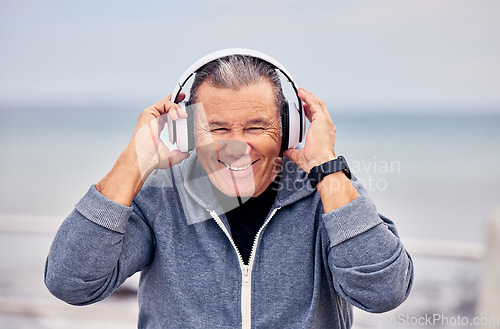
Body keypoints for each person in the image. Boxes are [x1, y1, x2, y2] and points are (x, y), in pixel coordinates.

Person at [45, 50, 413, 329]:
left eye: (256, 127)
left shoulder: (329, 192)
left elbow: (383, 293)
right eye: (217, 129)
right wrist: (134, 164)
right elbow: (71, 283)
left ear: (290, 129)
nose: (237, 146)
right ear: (187, 133)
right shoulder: (160, 195)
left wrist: (327, 170)